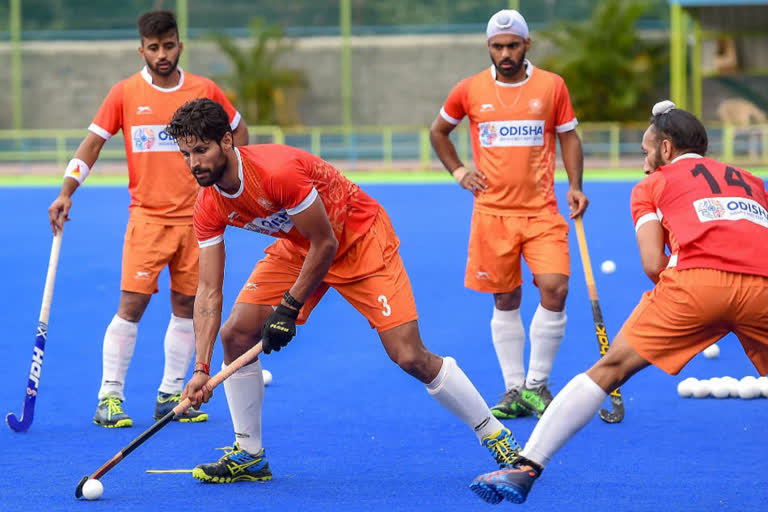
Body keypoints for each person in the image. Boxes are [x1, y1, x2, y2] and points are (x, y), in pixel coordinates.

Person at [167, 98, 521, 483]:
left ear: (227, 142)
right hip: (297, 245)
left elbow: (326, 243)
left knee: (409, 355)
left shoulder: (275, 172)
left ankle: (495, 435)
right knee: (235, 334)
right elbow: (207, 292)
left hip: (358, 240)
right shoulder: (208, 205)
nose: (193, 163)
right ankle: (250, 454)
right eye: (185, 153)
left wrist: (288, 308)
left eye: (201, 150)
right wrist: (201, 368)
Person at [469, 101, 768, 505]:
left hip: (696, 284)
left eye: (646, 153)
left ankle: (525, 467)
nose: (644, 165)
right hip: (764, 285)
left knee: (608, 370)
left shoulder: (651, 186)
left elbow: (652, 265)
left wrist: (696, 304)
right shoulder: (752, 180)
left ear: (665, 149)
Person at [47, 10, 248, 428]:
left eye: (169, 45)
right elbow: (92, 144)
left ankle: (171, 392)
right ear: (141, 49)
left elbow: (238, 130)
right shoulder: (123, 93)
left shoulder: (203, 89)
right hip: (148, 220)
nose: (162, 54)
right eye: (154, 48)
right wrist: (67, 191)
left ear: (179, 45)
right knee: (132, 305)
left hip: (198, 220)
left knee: (187, 306)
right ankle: (110, 397)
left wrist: (230, 182)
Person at [429, 9, 588, 420]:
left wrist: (574, 185)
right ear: (488, 47)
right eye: (498, 46)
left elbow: (568, 136)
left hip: (542, 212)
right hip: (492, 213)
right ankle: (514, 389)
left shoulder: (552, 86)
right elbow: (439, 131)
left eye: (512, 45)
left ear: (526, 45)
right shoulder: (470, 89)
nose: (505, 53)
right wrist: (460, 171)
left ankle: (538, 386)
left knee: (555, 288)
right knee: (506, 298)